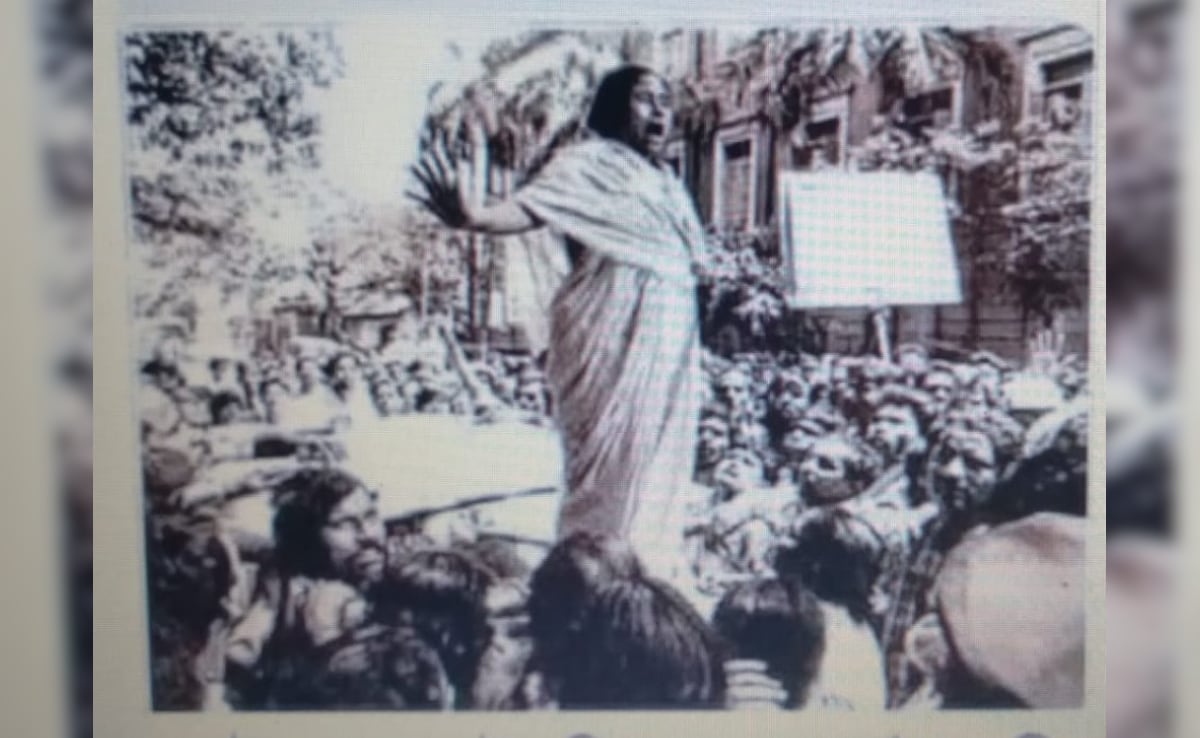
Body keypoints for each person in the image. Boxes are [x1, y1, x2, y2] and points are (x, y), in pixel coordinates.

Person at [410, 65, 711, 587]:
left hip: (670, 343)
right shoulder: (585, 164)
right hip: (608, 340)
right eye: (645, 100)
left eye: (666, 100)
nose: (661, 111)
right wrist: (474, 218)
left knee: (659, 468)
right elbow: (526, 210)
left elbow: (692, 262)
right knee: (610, 470)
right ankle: (593, 579)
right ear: (615, 108)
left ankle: (650, 573)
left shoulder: (668, 184)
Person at [224, 467, 385, 708]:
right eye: (344, 524)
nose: (368, 535)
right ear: (307, 538)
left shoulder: (404, 579)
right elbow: (240, 655)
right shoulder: (284, 593)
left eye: (371, 516)